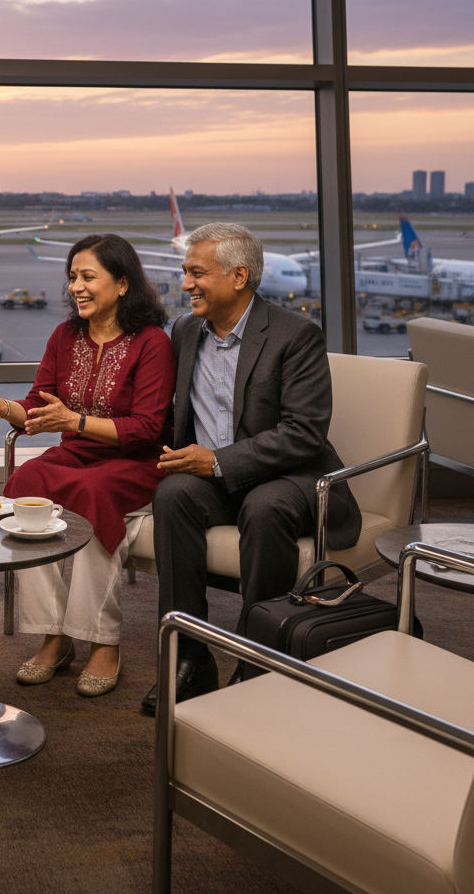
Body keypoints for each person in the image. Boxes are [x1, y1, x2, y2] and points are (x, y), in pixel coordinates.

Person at [139, 222, 362, 717]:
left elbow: (304, 433)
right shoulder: (185, 331)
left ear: (239, 276)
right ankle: (188, 658)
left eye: (197, 273)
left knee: (264, 507)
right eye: (185, 272)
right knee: (173, 495)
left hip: (294, 478)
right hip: (218, 479)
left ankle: (259, 657)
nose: (186, 283)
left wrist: (218, 460)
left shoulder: (295, 335)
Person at [0, 234, 176, 697]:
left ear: (123, 283)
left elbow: (148, 428)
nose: (76, 287)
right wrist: (0, 406)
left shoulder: (152, 343)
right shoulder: (65, 336)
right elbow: (38, 406)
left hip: (135, 460)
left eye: (88, 276)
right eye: (72, 277)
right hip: (77, 454)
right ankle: (54, 635)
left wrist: (76, 420)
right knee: (26, 482)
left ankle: (103, 640)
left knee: (92, 496)